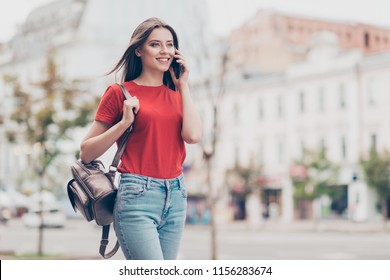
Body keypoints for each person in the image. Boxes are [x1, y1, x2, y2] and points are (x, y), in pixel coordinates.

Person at [79, 17, 202, 260]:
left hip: (177, 194)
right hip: (137, 196)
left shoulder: (177, 95)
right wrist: (124, 124)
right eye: (155, 45)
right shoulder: (119, 93)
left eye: (170, 44)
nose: (165, 51)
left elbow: (193, 135)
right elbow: (86, 152)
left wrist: (184, 86)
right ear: (138, 50)